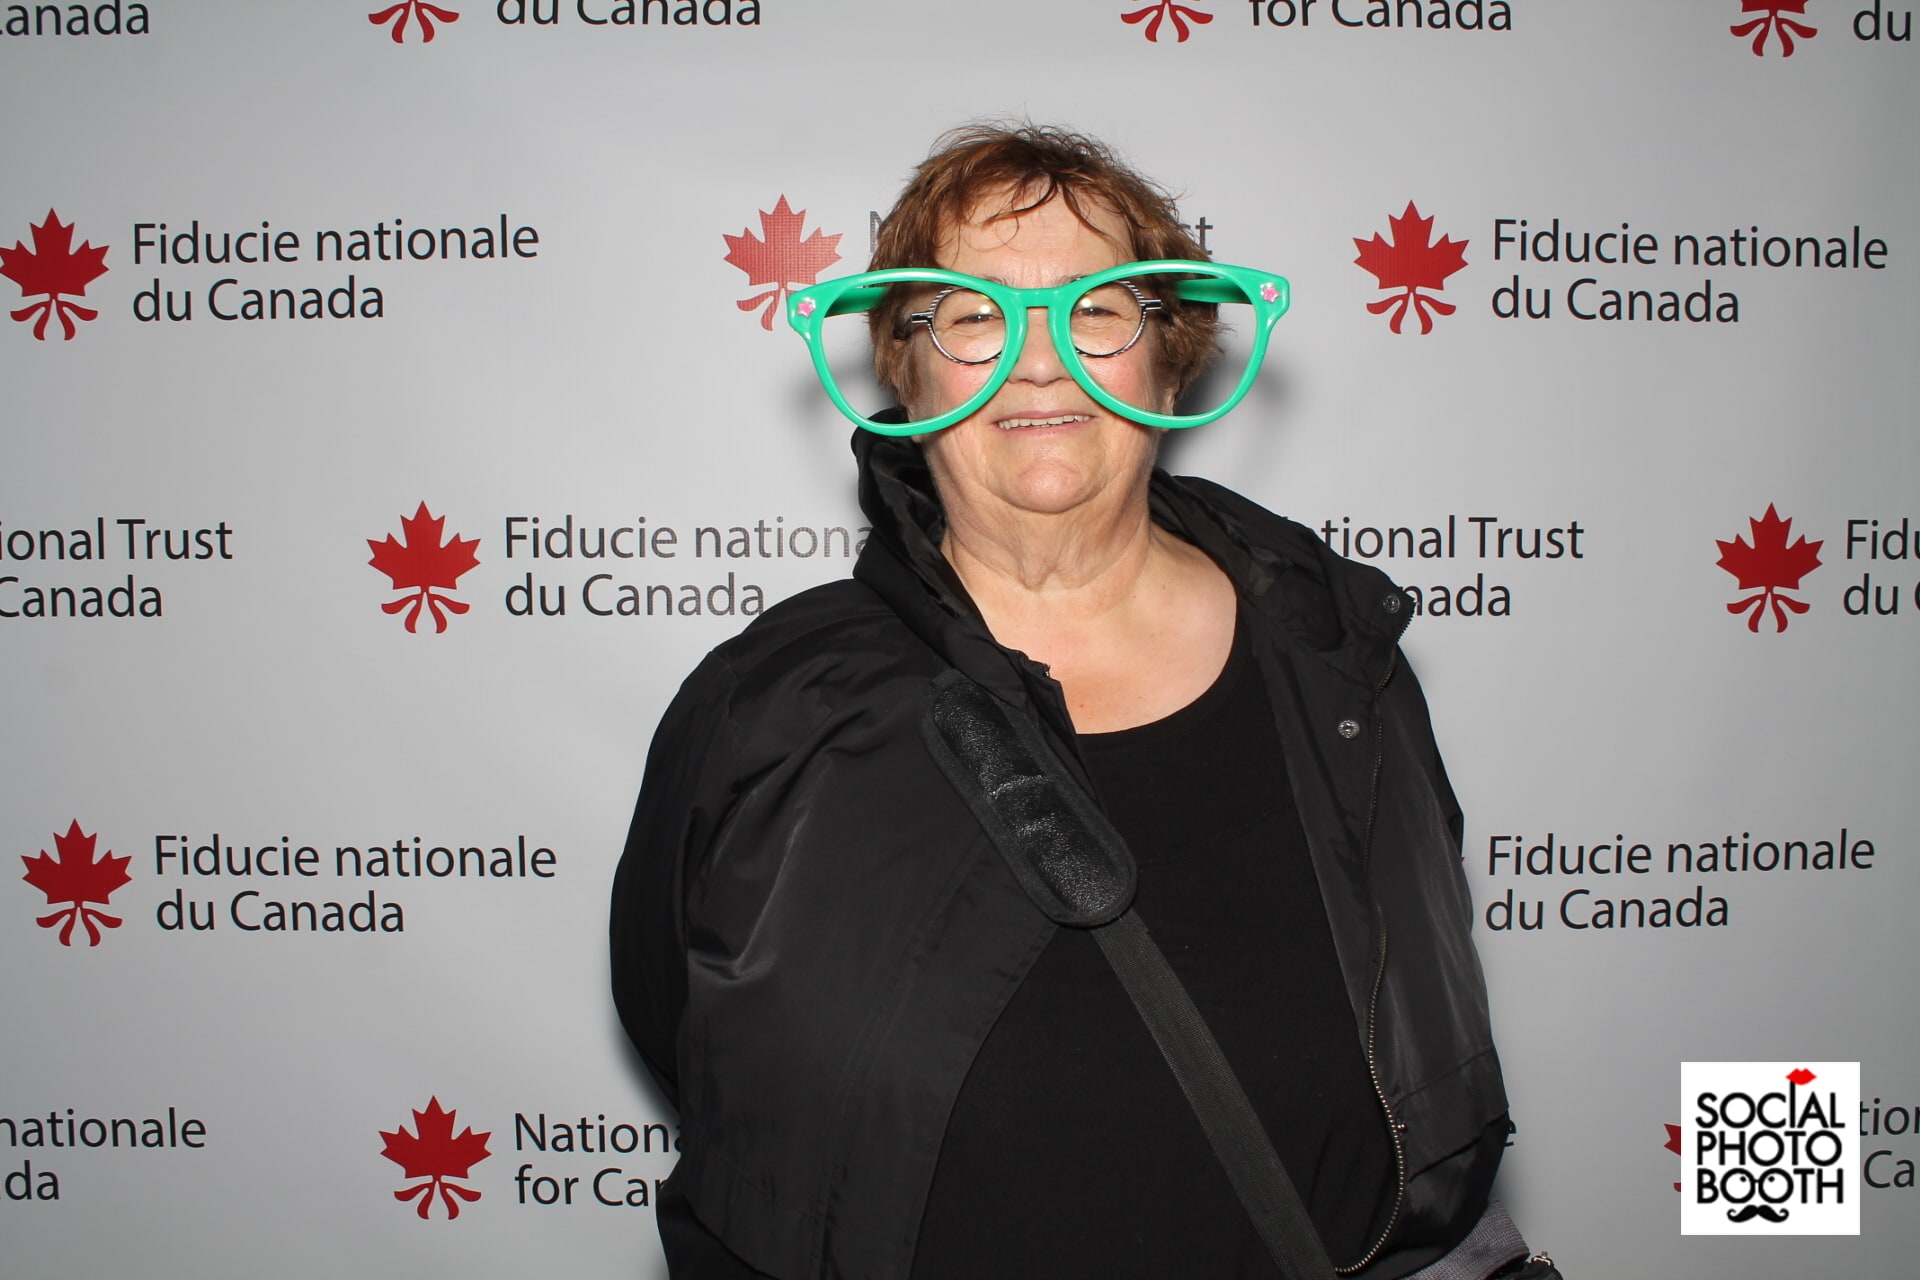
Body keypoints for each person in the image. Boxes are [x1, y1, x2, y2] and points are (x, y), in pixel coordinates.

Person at [611, 123, 1519, 1280]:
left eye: (1096, 309)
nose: (1039, 361)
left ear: (1170, 358)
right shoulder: (769, 706)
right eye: (974, 314)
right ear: (907, 370)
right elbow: (690, 1040)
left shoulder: (1338, 659)